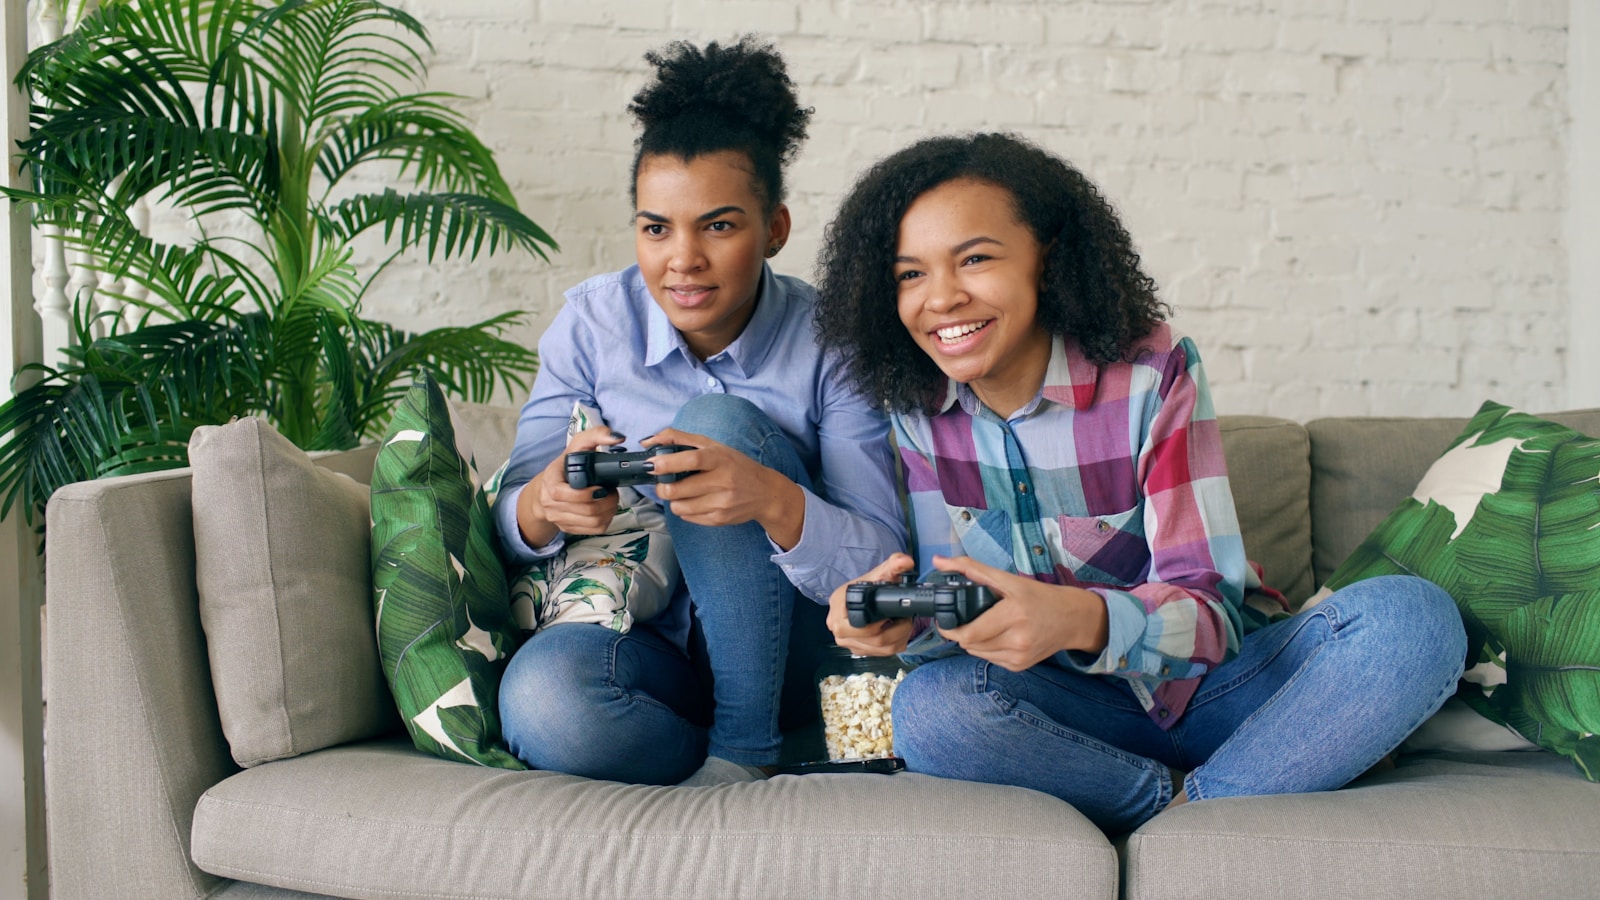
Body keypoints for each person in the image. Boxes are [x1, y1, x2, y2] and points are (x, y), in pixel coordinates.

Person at [812, 132, 1467, 833]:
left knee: (1413, 622)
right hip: (1074, 718)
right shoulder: (918, 412)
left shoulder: (1151, 372)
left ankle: (1201, 815)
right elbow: (958, 617)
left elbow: (1212, 615)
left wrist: (1078, 618)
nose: (941, 297)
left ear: (1048, 257)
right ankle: (1206, 805)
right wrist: (902, 620)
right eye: (910, 274)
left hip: (1223, 689)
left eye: (974, 259)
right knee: (929, 710)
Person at [493, 37, 905, 787]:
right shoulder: (591, 326)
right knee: (544, 703)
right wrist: (544, 505)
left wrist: (773, 499)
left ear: (774, 229)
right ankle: (756, 752)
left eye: (718, 225)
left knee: (716, 428)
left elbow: (883, 560)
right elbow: (511, 515)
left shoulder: (834, 344)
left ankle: (745, 751)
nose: (682, 258)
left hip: (798, 655)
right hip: (657, 646)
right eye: (656, 228)